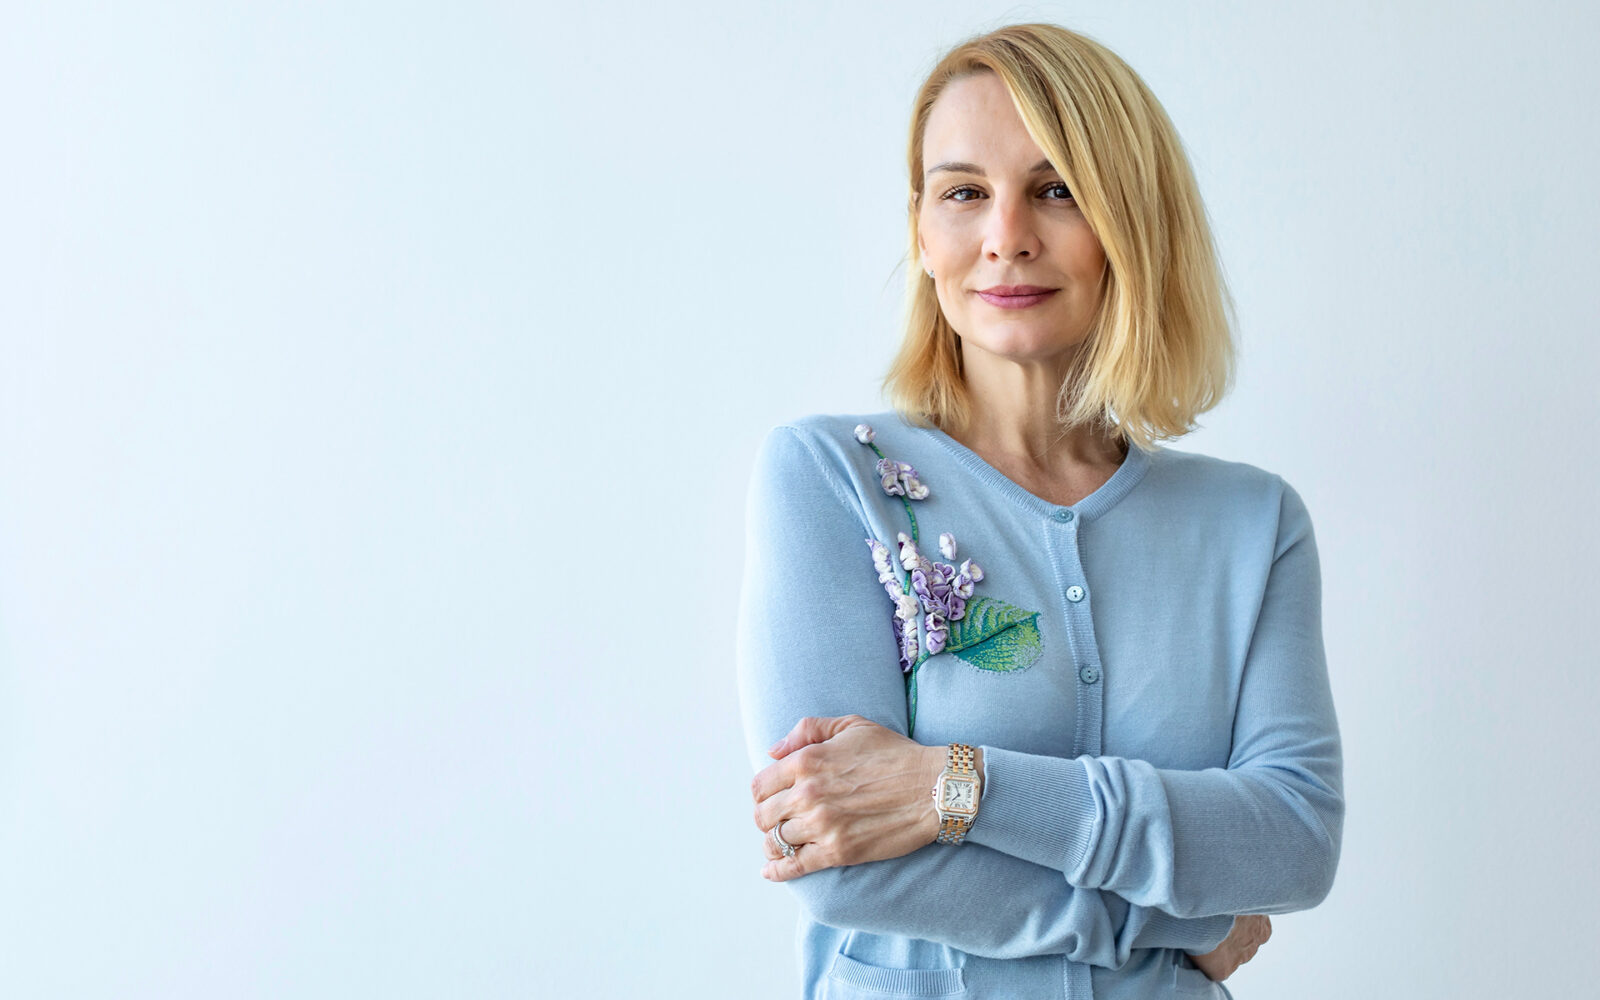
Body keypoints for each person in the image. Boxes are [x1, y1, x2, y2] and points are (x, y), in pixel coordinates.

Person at [735, 22, 1343, 1000]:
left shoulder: (1253, 526)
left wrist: (957, 784)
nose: (1006, 236)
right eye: (963, 192)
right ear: (922, 231)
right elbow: (840, 860)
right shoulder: (832, 479)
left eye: (1056, 189)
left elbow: (1295, 843)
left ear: (1132, 223)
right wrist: (1184, 918)